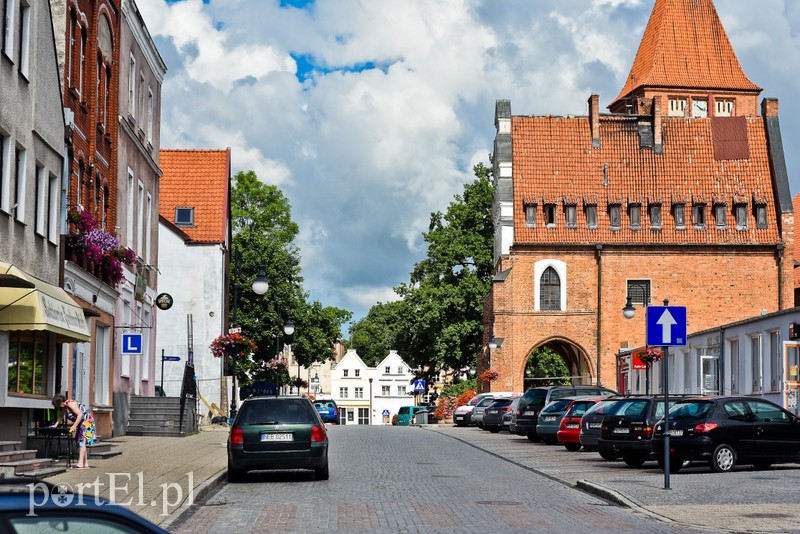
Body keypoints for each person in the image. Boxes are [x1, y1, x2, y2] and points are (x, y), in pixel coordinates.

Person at [51, 393, 96, 469]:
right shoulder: (65, 406)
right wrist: (56, 424)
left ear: (61, 403)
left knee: (81, 442)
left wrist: (74, 426)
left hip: (86, 423)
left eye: (58, 405)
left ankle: (80, 464)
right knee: (81, 442)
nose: (58, 407)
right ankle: (85, 463)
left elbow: (80, 415)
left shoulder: (70, 404)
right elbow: (61, 416)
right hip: (83, 423)